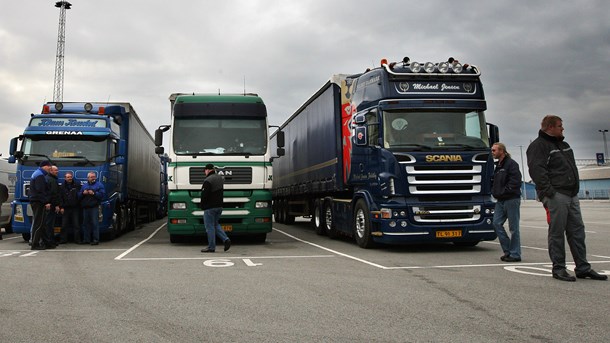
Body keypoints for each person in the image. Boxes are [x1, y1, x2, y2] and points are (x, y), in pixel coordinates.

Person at [527, 115, 607, 281]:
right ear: (550, 127)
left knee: (577, 231)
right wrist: (550, 192)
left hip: (571, 194)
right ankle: (559, 268)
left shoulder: (564, 145)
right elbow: (537, 171)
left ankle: (583, 268)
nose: (562, 129)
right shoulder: (538, 146)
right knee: (557, 232)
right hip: (557, 195)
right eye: (560, 126)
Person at [491, 143, 522, 262]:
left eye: (494, 150)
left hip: (511, 199)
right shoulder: (498, 166)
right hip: (500, 200)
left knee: (514, 228)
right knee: (496, 223)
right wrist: (494, 191)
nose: (492, 152)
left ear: (502, 151)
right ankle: (508, 251)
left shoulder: (511, 164)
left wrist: (504, 192)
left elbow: (515, 182)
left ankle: (515, 254)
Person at [200, 163, 231, 253]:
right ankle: (226, 239)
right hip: (219, 206)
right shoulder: (220, 178)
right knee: (215, 224)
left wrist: (202, 205)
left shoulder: (208, 180)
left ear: (208, 170)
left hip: (210, 207)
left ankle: (211, 247)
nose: (204, 172)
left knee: (209, 227)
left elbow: (204, 194)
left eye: (205, 170)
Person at [29, 161, 53, 250]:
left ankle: (46, 243)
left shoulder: (38, 174)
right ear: (44, 166)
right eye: (49, 166)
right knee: (38, 224)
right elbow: (40, 191)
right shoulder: (40, 175)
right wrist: (46, 202)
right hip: (38, 202)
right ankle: (35, 244)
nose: (50, 168)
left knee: (40, 223)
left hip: (36, 201)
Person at [79, 171, 105, 245]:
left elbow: (102, 195)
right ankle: (86, 239)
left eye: (94, 177)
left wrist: (94, 193)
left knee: (95, 224)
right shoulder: (84, 186)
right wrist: (82, 193)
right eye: (91, 177)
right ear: (88, 178)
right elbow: (79, 196)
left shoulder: (99, 185)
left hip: (94, 207)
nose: (93, 178)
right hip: (85, 207)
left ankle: (96, 240)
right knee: (85, 224)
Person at [59, 172, 82, 244]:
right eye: (68, 177)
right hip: (65, 208)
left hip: (75, 208)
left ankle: (77, 240)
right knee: (64, 225)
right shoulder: (62, 186)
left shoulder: (77, 185)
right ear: (65, 178)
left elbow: (80, 195)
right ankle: (63, 239)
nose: (70, 178)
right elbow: (60, 197)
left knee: (76, 225)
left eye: (70, 177)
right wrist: (61, 207)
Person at [44, 165, 61, 248]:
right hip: (51, 205)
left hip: (49, 204)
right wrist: (57, 204)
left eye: (57, 170)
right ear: (51, 171)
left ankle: (50, 240)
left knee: (49, 224)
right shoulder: (52, 180)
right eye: (55, 170)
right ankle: (50, 242)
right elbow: (54, 194)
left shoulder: (47, 178)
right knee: (49, 224)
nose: (57, 172)